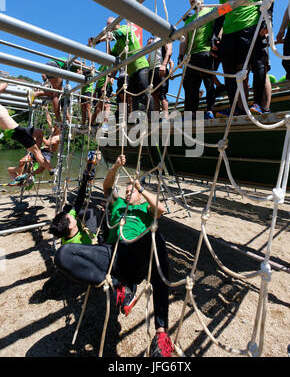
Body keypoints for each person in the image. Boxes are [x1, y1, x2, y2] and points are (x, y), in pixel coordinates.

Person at [53, 154, 173, 357]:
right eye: (125, 191)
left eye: (130, 192)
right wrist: (116, 166)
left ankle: (161, 334)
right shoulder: (117, 204)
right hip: (111, 254)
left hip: (136, 254)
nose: (127, 194)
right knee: (63, 254)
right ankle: (113, 285)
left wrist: (141, 189)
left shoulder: (144, 208)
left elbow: (161, 208)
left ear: (139, 196)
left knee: (157, 239)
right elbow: (107, 186)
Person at [212, 0, 272, 117]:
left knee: (258, 66)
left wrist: (268, 21)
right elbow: (220, 16)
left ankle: (259, 105)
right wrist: (215, 36)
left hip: (252, 27)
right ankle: (236, 108)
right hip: (230, 35)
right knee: (231, 74)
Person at [90, 17, 154, 117]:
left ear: (118, 24)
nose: (109, 27)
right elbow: (110, 55)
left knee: (146, 93)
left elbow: (115, 34)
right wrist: (106, 41)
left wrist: (97, 40)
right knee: (133, 97)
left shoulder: (125, 28)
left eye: (110, 24)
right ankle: (135, 121)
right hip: (131, 72)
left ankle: (154, 119)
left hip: (141, 66)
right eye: (107, 25)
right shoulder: (117, 44)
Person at [178, 0, 216, 120]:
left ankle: (210, 110)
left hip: (206, 52)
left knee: (208, 83)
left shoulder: (211, 11)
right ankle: (190, 113)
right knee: (189, 87)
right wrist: (180, 56)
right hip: (190, 56)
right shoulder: (188, 19)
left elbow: (218, 28)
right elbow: (184, 39)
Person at [0, 84, 55, 175]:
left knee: (39, 133)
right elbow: (4, 85)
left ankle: (20, 167)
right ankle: (51, 170)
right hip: (15, 131)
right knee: (37, 152)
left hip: (17, 129)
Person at [147, 36, 173, 118]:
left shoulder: (164, 36)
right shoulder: (153, 42)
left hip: (160, 68)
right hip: (152, 70)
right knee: (154, 95)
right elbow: (149, 58)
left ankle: (165, 117)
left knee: (162, 95)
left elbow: (169, 51)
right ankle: (156, 119)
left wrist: (164, 65)